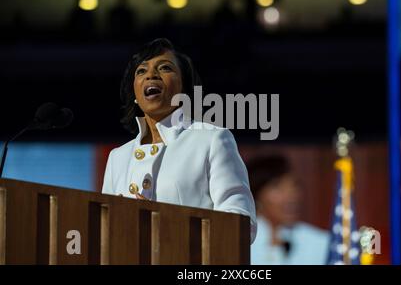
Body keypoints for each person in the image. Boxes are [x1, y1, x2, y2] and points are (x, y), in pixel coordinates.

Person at [102, 38, 257, 243]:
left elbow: (241, 225)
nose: (151, 75)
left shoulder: (211, 139)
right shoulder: (117, 157)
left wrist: (165, 224)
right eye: (141, 71)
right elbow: (102, 232)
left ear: (184, 88)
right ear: (135, 95)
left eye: (165, 67)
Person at [248, 155, 329, 264]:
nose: (291, 196)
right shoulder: (240, 244)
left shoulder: (321, 243)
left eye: (294, 186)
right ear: (256, 195)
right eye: (277, 187)